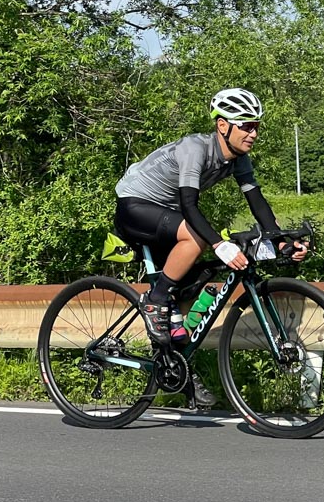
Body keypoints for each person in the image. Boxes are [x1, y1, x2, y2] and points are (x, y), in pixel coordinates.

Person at [113, 87, 308, 406]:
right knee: (198, 239)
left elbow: (257, 202)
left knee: (185, 296)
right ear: (223, 125)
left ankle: (179, 374)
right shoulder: (195, 148)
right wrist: (219, 244)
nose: (253, 132)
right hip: (135, 205)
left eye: (256, 125)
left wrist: (280, 241)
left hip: (166, 214)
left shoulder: (239, 159)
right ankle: (155, 300)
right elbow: (190, 207)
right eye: (246, 124)